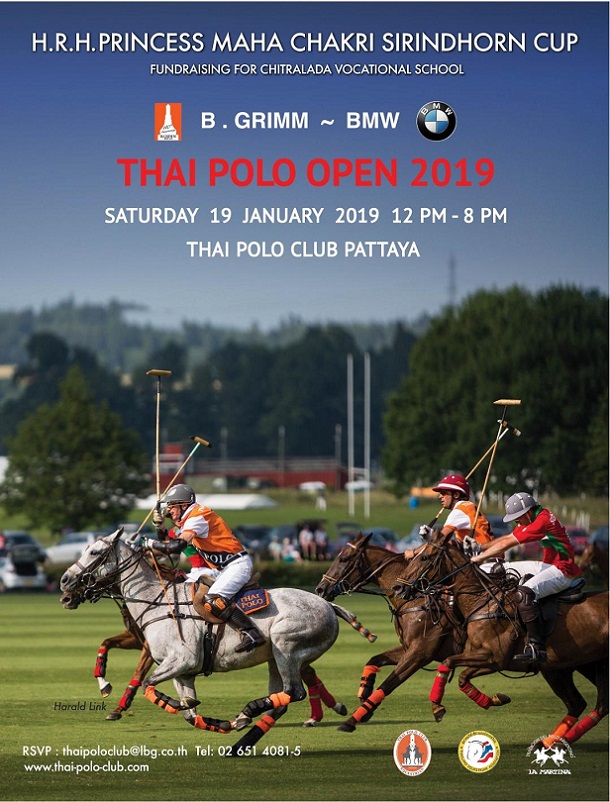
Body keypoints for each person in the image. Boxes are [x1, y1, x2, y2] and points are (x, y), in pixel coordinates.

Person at [147, 484, 265, 653]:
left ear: (183, 505)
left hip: (237, 565)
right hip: (224, 568)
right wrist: (160, 527)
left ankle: (252, 633)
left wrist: (149, 543)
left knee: (213, 599)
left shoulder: (197, 517)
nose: (169, 510)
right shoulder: (189, 518)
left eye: (172, 505)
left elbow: (177, 545)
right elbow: (168, 540)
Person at [468, 492, 582, 666]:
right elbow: (507, 537)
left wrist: (478, 558)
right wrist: (480, 547)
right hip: (548, 565)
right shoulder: (532, 518)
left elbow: (508, 544)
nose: (517, 522)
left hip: (563, 571)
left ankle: (536, 646)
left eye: (517, 518)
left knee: (524, 593)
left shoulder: (542, 521)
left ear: (527, 512)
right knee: (497, 570)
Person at [403, 474, 493, 560]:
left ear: (456, 495)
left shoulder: (460, 510)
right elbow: (452, 543)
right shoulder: (468, 507)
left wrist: (414, 552)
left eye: (443, 493)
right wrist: (432, 537)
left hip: (485, 561)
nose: (440, 496)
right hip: (488, 558)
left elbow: (439, 541)